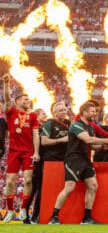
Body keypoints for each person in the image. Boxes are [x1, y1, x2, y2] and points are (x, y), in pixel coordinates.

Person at [48, 101, 108, 224]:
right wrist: (107, 140)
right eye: (92, 111)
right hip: (73, 159)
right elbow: (87, 139)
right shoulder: (76, 125)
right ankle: (53, 217)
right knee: (69, 187)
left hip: (85, 160)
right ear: (84, 112)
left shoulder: (90, 127)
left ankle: (87, 218)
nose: (95, 114)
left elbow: (93, 145)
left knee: (93, 186)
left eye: (95, 112)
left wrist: (104, 147)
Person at [2, 74, 40, 223]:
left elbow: (36, 135)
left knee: (28, 180)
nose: (28, 101)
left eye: (28, 99)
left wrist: (36, 152)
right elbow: (6, 99)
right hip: (13, 151)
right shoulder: (12, 112)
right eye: (24, 99)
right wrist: (6, 84)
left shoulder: (33, 116)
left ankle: (24, 208)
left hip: (28, 151)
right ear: (17, 102)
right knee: (10, 181)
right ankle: (10, 210)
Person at [30, 102, 70, 224]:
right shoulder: (49, 124)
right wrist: (62, 140)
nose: (64, 112)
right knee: (43, 189)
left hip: (64, 160)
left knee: (58, 188)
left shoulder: (67, 124)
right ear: (54, 112)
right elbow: (44, 142)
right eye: (61, 110)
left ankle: (54, 215)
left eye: (64, 110)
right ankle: (36, 216)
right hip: (50, 161)